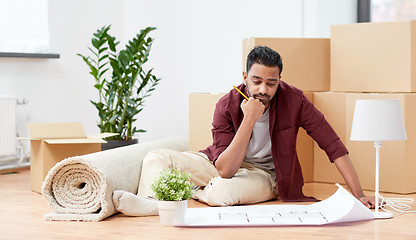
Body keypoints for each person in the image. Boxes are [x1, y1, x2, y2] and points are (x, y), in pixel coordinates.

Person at [113, 46, 374, 216]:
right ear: (245, 77)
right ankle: (150, 203)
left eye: (271, 83)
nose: (263, 89)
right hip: (220, 162)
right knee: (157, 157)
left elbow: (333, 145)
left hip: (266, 176)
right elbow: (225, 168)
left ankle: (193, 191)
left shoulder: (295, 100)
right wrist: (249, 119)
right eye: (256, 81)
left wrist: (359, 195)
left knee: (220, 193)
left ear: (279, 81)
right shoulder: (226, 105)